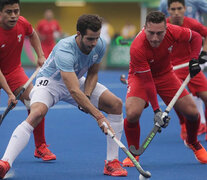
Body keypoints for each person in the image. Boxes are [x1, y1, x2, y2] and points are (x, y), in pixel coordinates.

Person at [0, 14, 128, 179]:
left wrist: (87, 97)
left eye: (96, 38)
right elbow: (73, 90)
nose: (94, 43)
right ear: (78, 34)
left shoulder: (100, 44)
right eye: (90, 39)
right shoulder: (64, 49)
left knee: (115, 104)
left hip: (75, 78)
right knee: (36, 113)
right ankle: (5, 163)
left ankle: (112, 162)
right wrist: (98, 115)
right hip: (51, 82)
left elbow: (93, 74)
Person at [122, 11, 207, 167]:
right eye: (151, 33)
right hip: (140, 78)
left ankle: (193, 142)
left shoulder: (174, 31)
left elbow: (195, 37)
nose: (155, 38)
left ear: (166, 29)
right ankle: (134, 154)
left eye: (159, 33)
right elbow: (148, 82)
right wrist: (156, 111)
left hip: (166, 74)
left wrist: (193, 59)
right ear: (144, 28)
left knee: (193, 113)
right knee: (133, 113)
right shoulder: (137, 47)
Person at [0, 0, 56, 161]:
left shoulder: (22, 22)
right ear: (0, 13)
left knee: (35, 101)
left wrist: (40, 55)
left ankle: (40, 147)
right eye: (9, 12)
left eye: (16, 11)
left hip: (13, 72)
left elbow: (32, 34)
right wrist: (10, 94)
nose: (14, 15)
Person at [160, 0, 207, 137]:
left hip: (190, 66)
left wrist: (204, 52)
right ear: (167, 10)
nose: (176, 12)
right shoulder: (163, 27)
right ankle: (183, 124)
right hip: (170, 69)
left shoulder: (192, 24)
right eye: (173, 9)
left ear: (185, 9)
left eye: (179, 8)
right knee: (177, 100)